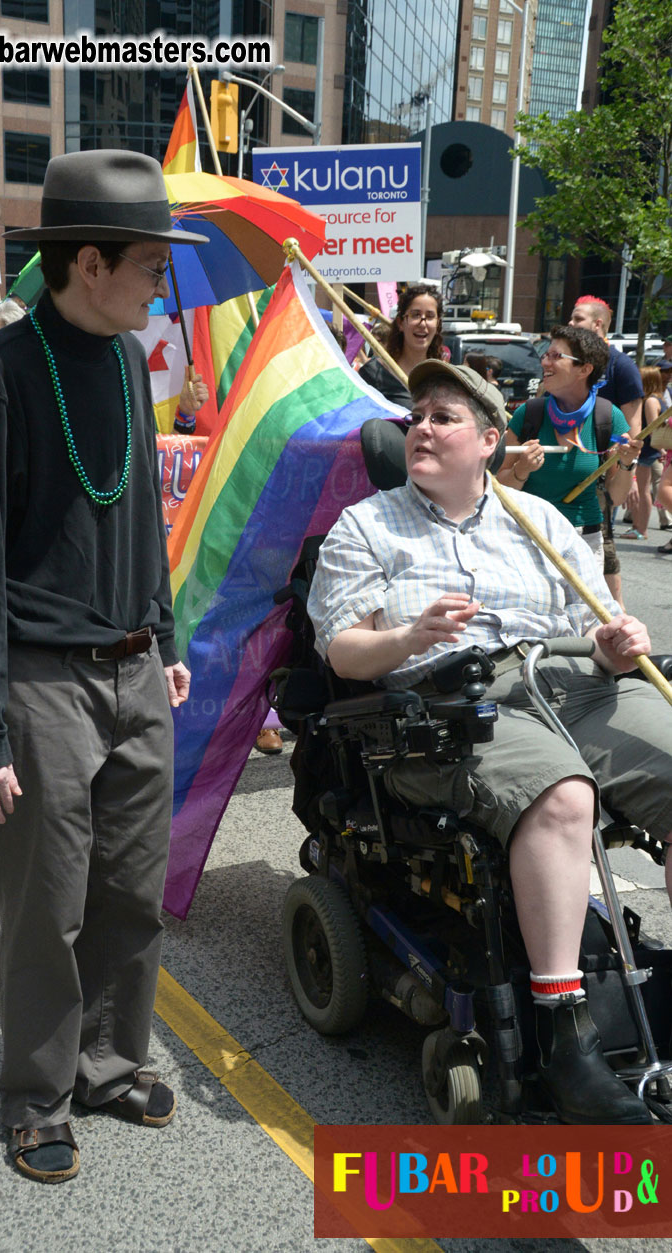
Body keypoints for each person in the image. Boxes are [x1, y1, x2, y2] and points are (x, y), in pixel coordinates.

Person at [307, 360, 672, 1125]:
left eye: (444, 416)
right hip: (447, 702)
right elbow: (341, 650)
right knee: (561, 796)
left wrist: (616, 638)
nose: (422, 428)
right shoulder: (367, 524)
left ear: (488, 439)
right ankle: (564, 1031)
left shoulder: (538, 518)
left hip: (570, 679)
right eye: (416, 416)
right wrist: (409, 635)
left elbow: (597, 623)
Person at [0, 149, 207, 1184]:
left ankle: (108, 1062)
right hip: (42, 676)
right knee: (47, 905)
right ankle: (38, 1092)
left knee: (131, 893)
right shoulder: (4, 374)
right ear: (89, 263)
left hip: (137, 671)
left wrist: (165, 634)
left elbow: (139, 515)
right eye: (151, 263)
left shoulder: (122, 358)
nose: (162, 285)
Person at [496, 325, 639, 568]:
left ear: (584, 369)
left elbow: (616, 495)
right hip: (528, 537)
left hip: (584, 539)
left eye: (556, 356)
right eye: (546, 354)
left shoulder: (607, 417)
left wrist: (627, 464)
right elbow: (500, 487)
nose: (545, 363)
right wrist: (522, 470)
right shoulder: (529, 414)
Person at [569, 296, 644, 606]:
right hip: (564, 464)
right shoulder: (568, 362)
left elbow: (632, 428)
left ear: (598, 324)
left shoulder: (622, 366)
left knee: (602, 545)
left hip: (602, 474)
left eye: (578, 319)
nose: (571, 325)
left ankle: (616, 615)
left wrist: (629, 471)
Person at [359, 283, 443, 407]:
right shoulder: (373, 374)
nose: (422, 323)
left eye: (430, 316)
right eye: (416, 315)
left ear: (437, 325)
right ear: (400, 323)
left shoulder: (444, 377)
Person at [620, 366, 666, 540]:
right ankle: (638, 527)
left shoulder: (650, 401)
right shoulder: (658, 399)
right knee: (643, 489)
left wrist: (660, 449)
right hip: (648, 450)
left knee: (641, 489)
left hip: (646, 450)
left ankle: (640, 529)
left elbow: (653, 429)